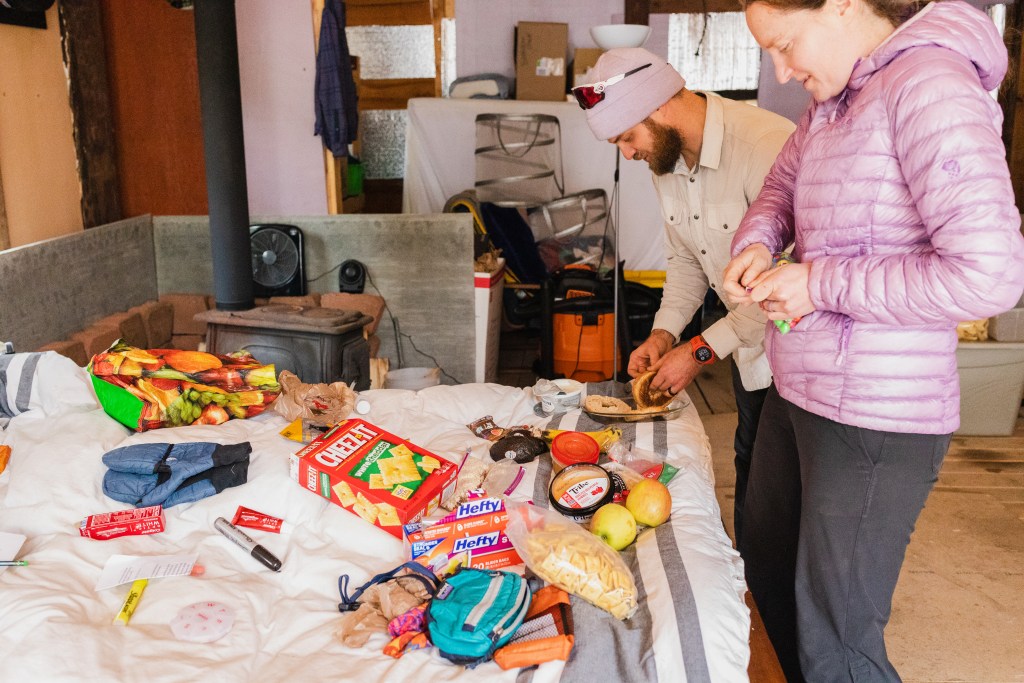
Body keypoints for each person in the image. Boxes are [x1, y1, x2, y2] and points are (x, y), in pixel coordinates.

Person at [721, 0, 1024, 680]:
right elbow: (780, 186)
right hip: (799, 388)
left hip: (875, 417)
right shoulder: (838, 97)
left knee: (836, 638)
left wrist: (817, 283)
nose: (780, 67)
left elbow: (990, 275)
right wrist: (757, 241)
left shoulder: (929, 86)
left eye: (785, 43)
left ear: (843, 4)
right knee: (765, 571)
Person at [573, 48, 795, 545]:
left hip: (802, 356)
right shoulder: (667, 161)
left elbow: (786, 283)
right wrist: (663, 333)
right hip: (750, 354)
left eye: (627, 137)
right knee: (750, 467)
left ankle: (777, 609)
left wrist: (697, 351)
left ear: (662, 108)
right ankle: (751, 591)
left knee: (785, 493)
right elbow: (686, 261)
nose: (626, 154)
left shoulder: (763, 146)